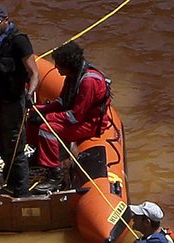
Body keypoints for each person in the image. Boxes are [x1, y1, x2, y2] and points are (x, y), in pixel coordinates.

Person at [27, 40, 111, 194]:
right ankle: (38, 156)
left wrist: (46, 117)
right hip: (77, 117)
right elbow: (62, 101)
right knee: (34, 116)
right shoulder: (73, 77)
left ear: (68, 65)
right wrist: (41, 111)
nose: (56, 68)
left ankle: (54, 175)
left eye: (58, 65)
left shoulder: (88, 82)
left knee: (47, 129)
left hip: (89, 124)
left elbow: (75, 116)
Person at [0, 3, 40, 197]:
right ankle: (10, 179)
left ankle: (22, 192)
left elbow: (34, 73)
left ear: (6, 20)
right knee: (1, 144)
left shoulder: (19, 41)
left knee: (16, 146)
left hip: (13, 102)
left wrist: (30, 94)